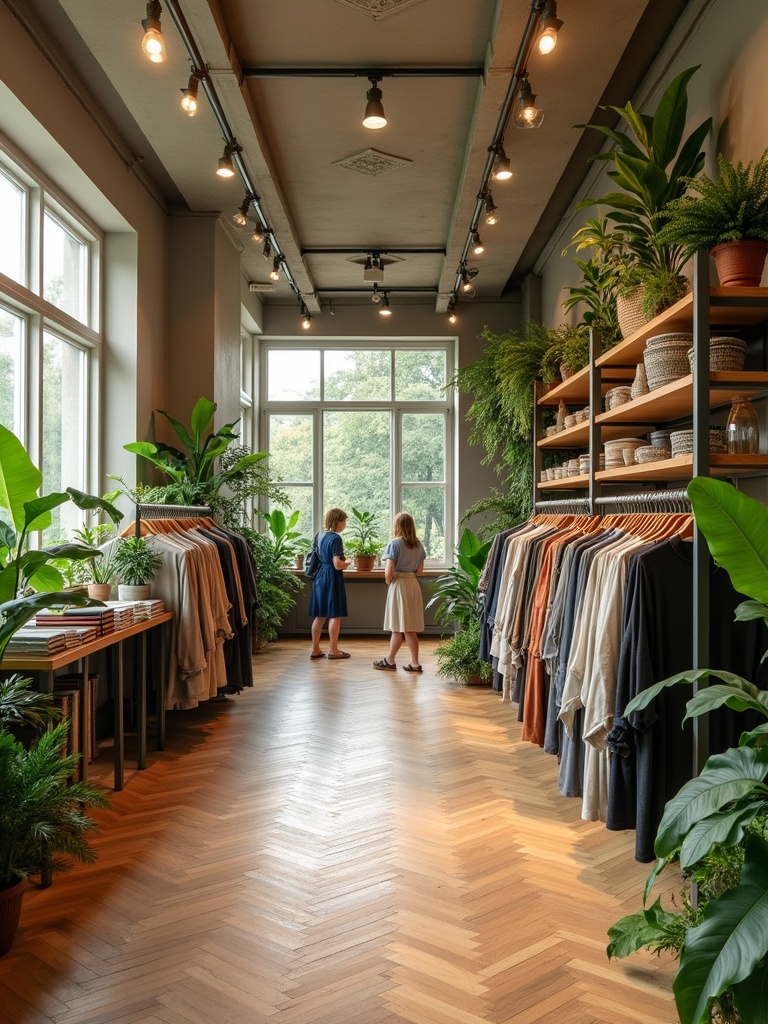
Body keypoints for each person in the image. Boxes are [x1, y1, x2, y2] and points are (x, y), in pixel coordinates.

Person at [373, 512, 426, 673]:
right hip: (413, 584)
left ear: (397, 526)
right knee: (409, 627)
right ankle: (409, 662)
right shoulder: (419, 545)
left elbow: (388, 573)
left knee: (398, 625)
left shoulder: (394, 544)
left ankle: (394, 661)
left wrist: (391, 581)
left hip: (399, 585)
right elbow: (420, 571)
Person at [309, 507, 351, 660]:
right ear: (337, 521)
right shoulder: (335, 539)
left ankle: (315, 649)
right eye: (344, 520)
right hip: (332, 577)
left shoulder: (319, 535)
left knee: (320, 616)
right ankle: (333, 650)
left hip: (320, 577)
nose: (345, 524)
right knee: (335, 615)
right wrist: (349, 562)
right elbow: (337, 564)